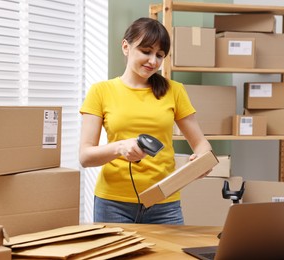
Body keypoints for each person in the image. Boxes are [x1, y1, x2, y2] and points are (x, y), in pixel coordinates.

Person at [79, 17, 212, 225]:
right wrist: (120, 147)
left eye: (160, 55)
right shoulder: (100, 91)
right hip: (113, 204)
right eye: (146, 51)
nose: (153, 61)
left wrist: (203, 160)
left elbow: (201, 143)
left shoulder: (174, 91)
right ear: (126, 46)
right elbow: (85, 156)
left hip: (164, 202)